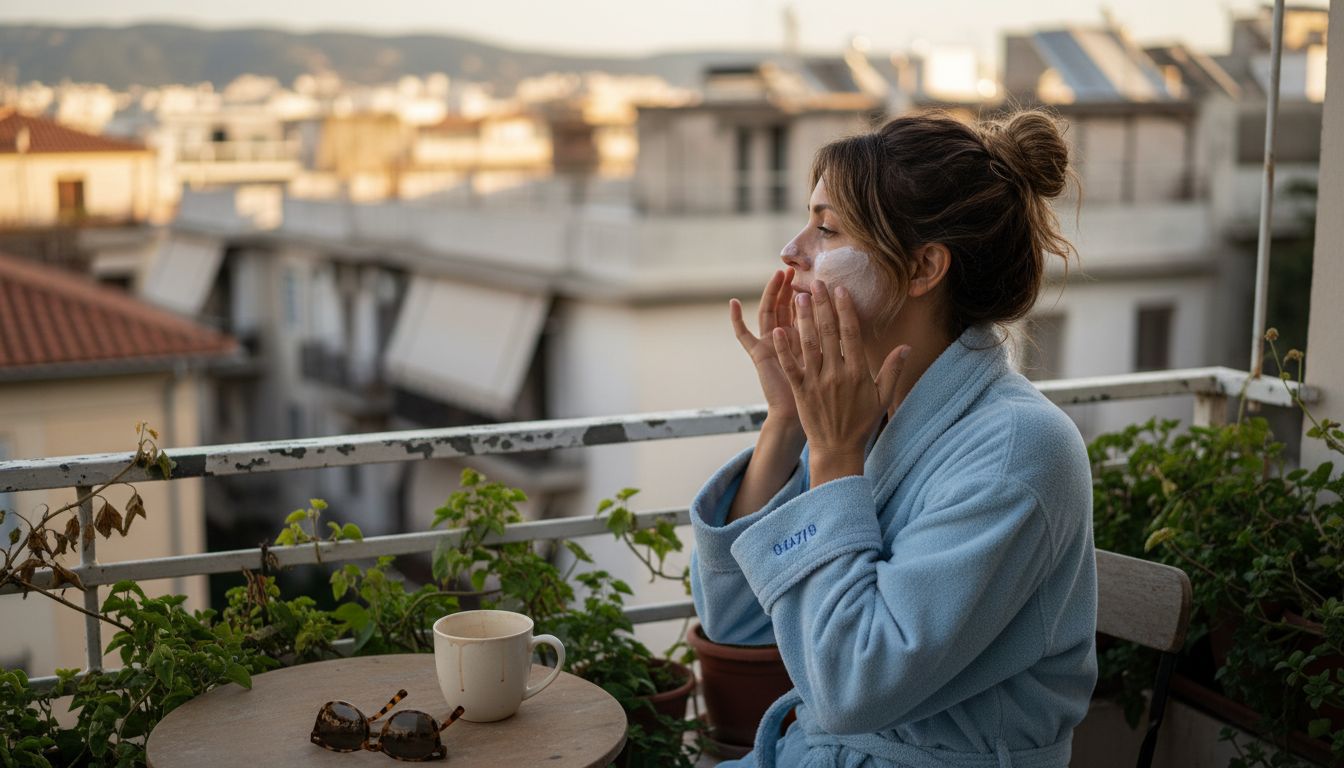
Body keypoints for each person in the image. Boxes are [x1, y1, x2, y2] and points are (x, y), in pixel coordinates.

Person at [689, 110, 1097, 768]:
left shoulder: (1019, 450)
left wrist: (836, 461)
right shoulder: (867, 416)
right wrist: (788, 423)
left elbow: (852, 688)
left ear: (922, 267)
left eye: (827, 228)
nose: (792, 251)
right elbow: (737, 626)